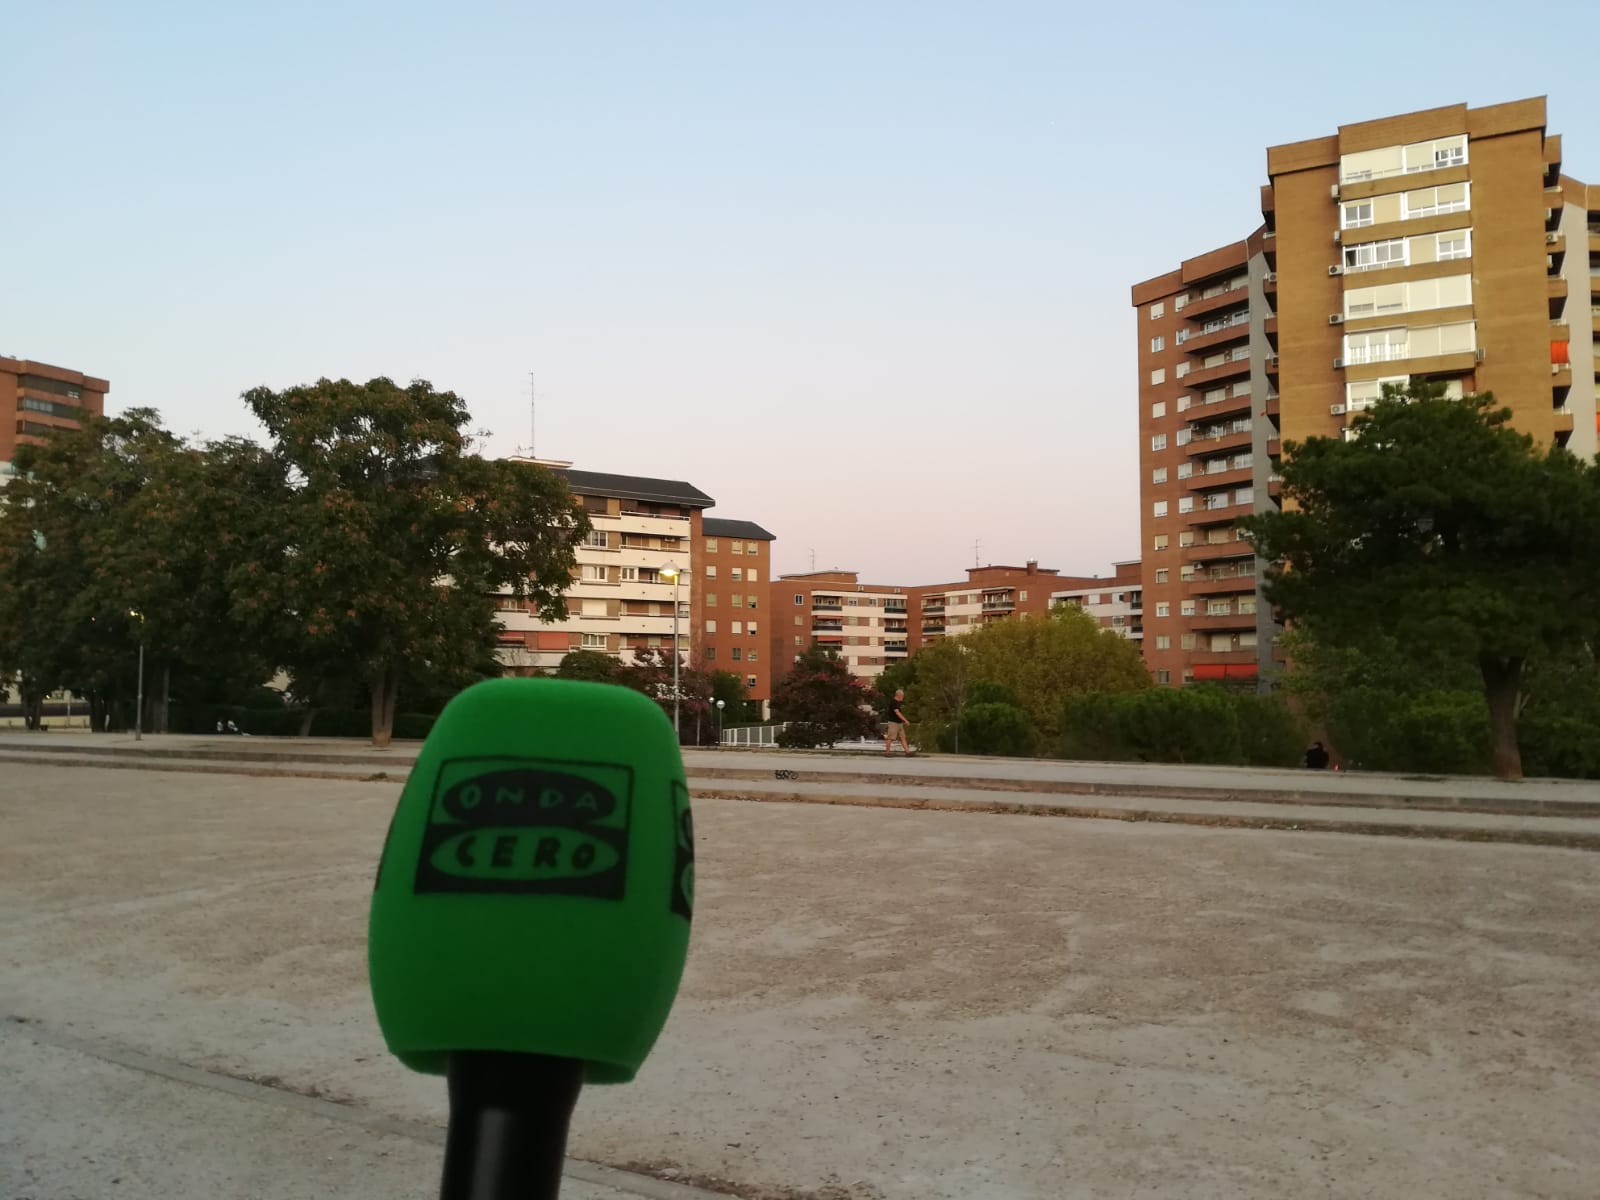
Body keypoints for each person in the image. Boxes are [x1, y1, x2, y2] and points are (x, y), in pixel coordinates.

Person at [884, 690, 913, 756]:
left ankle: (907, 752)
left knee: (903, 737)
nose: (903, 697)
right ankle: (887, 752)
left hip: (899, 723)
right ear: (899, 695)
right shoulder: (894, 702)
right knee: (890, 738)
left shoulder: (897, 703)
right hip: (893, 723)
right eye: (902, 696)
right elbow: (897, 713)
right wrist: (905, 720)